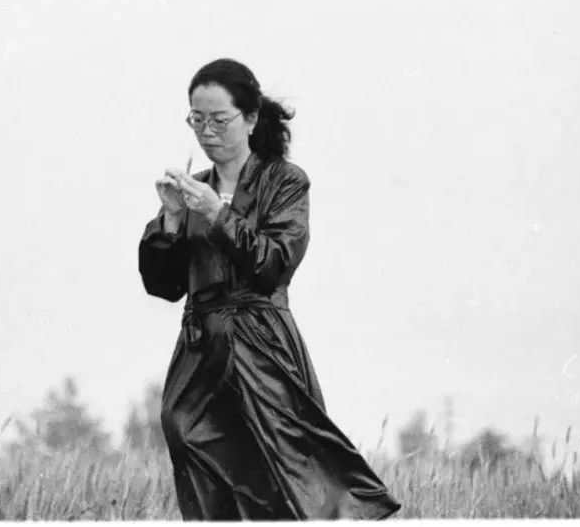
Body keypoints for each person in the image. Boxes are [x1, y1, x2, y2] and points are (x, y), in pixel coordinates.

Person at [138, 58, 401, 520]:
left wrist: (217, 214)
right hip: (201, 346)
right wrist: (172, 220)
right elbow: (163, 286)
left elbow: (276, 263)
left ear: (251, 118)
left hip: (261, 341)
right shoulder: (192, 190)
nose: (206, 131)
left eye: (219, 120)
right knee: (183, 433)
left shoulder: (284, 181)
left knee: (278, 460)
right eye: (196, 119)